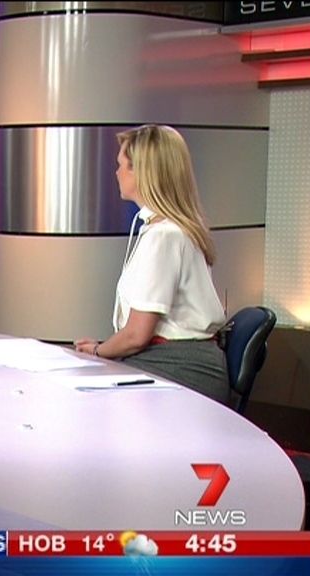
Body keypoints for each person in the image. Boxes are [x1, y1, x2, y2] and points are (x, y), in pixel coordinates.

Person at [74, 125, 229, 404]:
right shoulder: (168, 230)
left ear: (142, 172)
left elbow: (136, 335)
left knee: (87, 398)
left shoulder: (165, 236)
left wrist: (98, 352)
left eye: (122, 165)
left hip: (180, 366)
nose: (117, 172)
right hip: (172, 358)